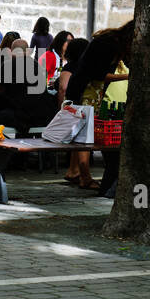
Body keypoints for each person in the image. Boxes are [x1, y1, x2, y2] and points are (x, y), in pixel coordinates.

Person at [66, 21, 135, 196]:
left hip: (91, 90)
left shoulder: (113, 42)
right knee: (85, 134)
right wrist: (128, 76)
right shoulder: (107, 44)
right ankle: (84, 177)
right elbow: (98, 74)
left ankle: (77, 172)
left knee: (84, 132)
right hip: (85, 89)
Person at [56, 37, 92, 187]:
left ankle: (73, 170)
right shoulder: (85, 67)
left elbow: (62, 88)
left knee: (77, 140)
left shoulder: (70, 66)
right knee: (84, 140)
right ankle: (84, 176)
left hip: (73, 107)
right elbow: (64, 87)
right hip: (81, 107)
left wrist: (61, 108)